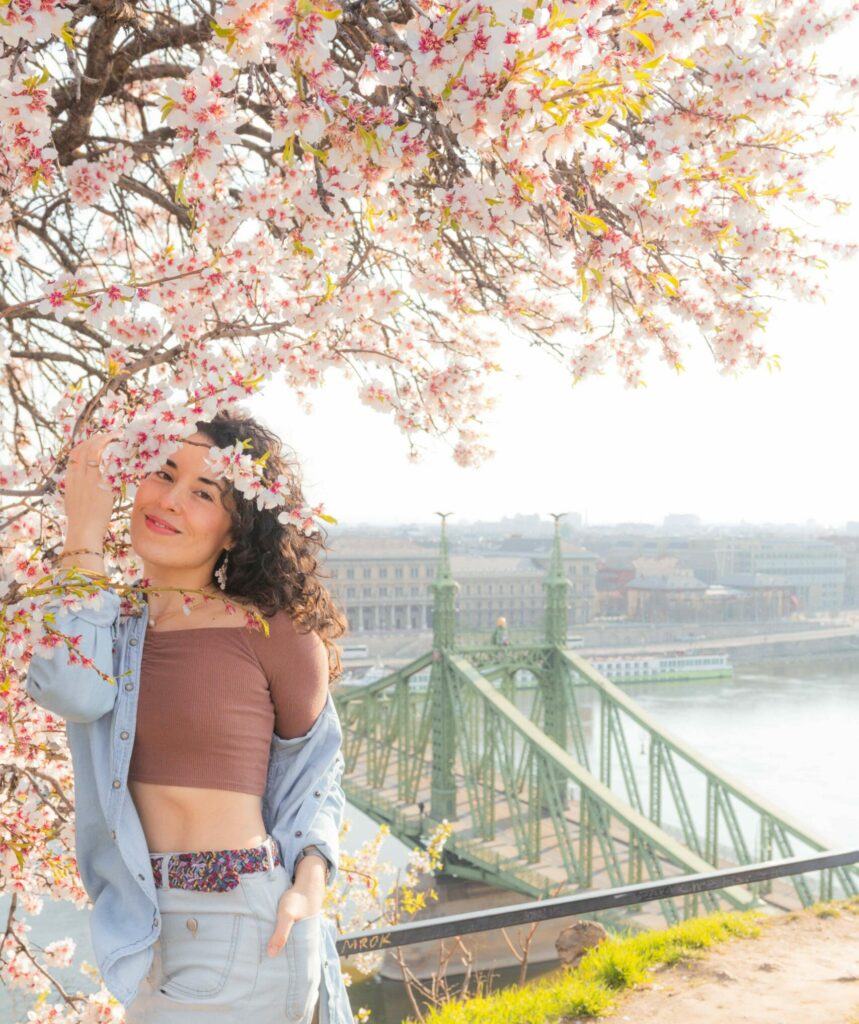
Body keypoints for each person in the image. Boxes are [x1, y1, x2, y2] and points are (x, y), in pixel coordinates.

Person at [25, 410, 356, 1023]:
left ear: (236, 531)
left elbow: (317, 772)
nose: (170, 500)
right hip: (145, 928)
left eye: (203, 493)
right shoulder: (105, 625)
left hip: (247, 919)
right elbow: (71, 690)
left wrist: (310, 880)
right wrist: (83, 535)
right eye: (162, 474)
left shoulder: (273, 632)